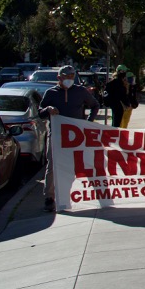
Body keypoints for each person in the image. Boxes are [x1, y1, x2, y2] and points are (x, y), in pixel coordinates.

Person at [38, 65, 100, 212]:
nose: (69, 80)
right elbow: (40, 112)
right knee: (52, 166)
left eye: (72, 77)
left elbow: (95, 105)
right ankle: (49, 197)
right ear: (59, 78)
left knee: (74, 166)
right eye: (66, 77)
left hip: (75, 137)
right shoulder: (51, 93)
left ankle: (68, 194)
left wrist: (88, 123)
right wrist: (48, 110)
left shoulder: (80, 91)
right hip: (56, 135)